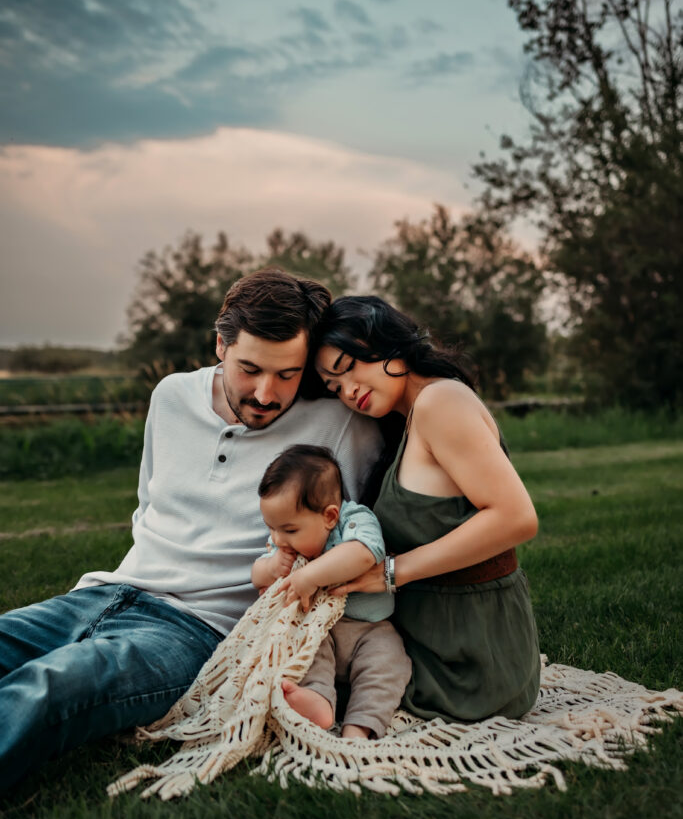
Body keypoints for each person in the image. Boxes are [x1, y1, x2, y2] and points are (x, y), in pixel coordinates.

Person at [0, 270, 382, 790]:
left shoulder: (341, 424)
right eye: (249, 369)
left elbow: (369, 529)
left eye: (288, 375)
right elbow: (146, 509)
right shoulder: (172, 396)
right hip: (103, 592)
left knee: (51, 685)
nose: (267, 394)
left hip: (195, 632)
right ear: (220, 344)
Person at [312, 295, 541, 724]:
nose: (347, 391)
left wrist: (390, 573)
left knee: (298, 680)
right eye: (334, 388)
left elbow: (516, 517)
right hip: (432, 639)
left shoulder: (441, 403)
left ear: (384, 340)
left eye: (347, 368)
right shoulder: (408, 419)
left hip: (469, 661)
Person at [252, 444, 411, 740]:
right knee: (305, 656)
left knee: (388, 664)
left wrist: (310, 575)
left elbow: (366, 553)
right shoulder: (283, 543)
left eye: (289, 530)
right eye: (271, 528)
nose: (278, 538)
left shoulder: (354, 520)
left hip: (369, 628)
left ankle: (360, 724)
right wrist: (272, 567)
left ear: (329, 516)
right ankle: (318, 701)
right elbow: (256, 573)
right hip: (316, 630)